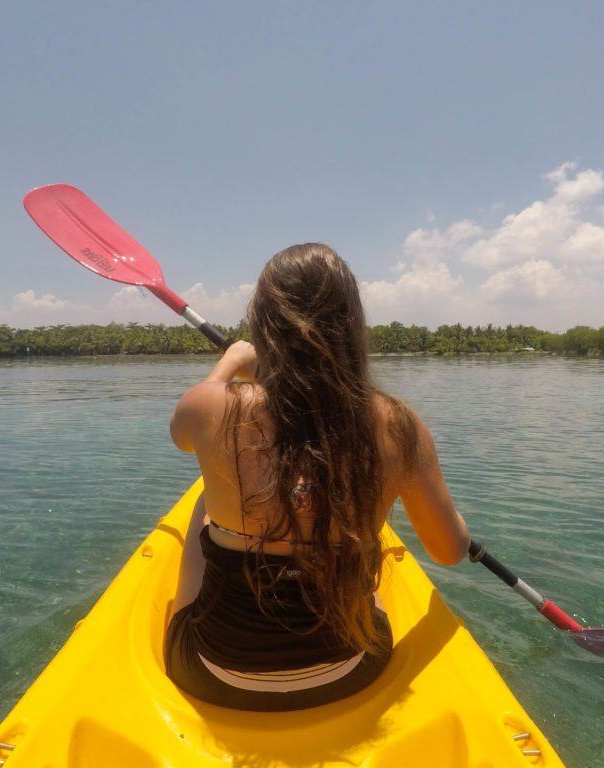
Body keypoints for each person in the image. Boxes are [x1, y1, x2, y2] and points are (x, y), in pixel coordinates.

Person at [165, 243, 470, 711]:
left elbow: (183, 437)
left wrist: (230, 364)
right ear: (352, 326)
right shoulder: (402, 426)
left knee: (207, 494)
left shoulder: (212, 406)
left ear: (263, 326)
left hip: (213, 672)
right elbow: (449, 552)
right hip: (351, 671)